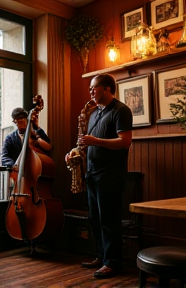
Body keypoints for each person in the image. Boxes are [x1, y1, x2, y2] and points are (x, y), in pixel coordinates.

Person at [65, 74, 132, 279]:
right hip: (92, 174)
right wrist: (75, 153)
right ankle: (101, 256)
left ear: (107, 88)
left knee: (109, 220)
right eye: (90, 89)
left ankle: (113, 262)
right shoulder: (94, 114)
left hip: (110, 175)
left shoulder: (122, 110)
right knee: (95, 218)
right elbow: (88, 143)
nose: (91, 92)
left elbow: (124, 141)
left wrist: (96, 140)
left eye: (94, 88)